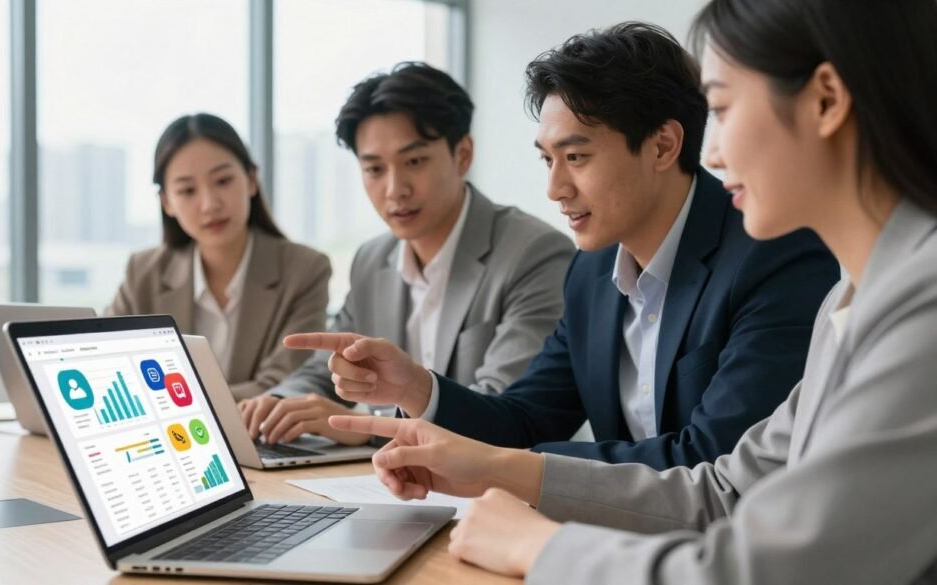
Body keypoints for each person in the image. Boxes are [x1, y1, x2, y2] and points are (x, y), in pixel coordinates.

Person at [318, 2, 937, 582]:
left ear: (826, 100)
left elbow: (773, 563)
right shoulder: (851, 298)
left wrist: (538, 545)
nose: (713, 151)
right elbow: (727, 490)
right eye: (547, 159)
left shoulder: (901, 298)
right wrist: (479, 451)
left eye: (721, 110)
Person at [285, 24, 839, 469]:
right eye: (546, 159)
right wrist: (416, 387)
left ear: (664, 145)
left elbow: (711, 459)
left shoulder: (773, 255)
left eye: (576, 158)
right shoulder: (593, 271)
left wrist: (501, 467)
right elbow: (527, 418)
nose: (554, 189)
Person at [238, 62, 575, 446]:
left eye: (414, 162)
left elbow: (502, 413)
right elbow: (324, 370)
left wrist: (360, 424)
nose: (395, 189)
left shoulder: (533, 254)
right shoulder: (371, 259)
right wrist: (280, 402)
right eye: (375, 169)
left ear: (463, 154)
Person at [106, 113, 331, 400]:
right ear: (167, 203)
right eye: (187, 190)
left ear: (251, 180)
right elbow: (107, 367)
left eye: (223, 181)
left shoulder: (305, 270)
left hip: (259, 439)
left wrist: (173, 401)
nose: (210, 204)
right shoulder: (143, 272)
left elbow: (282, 385)